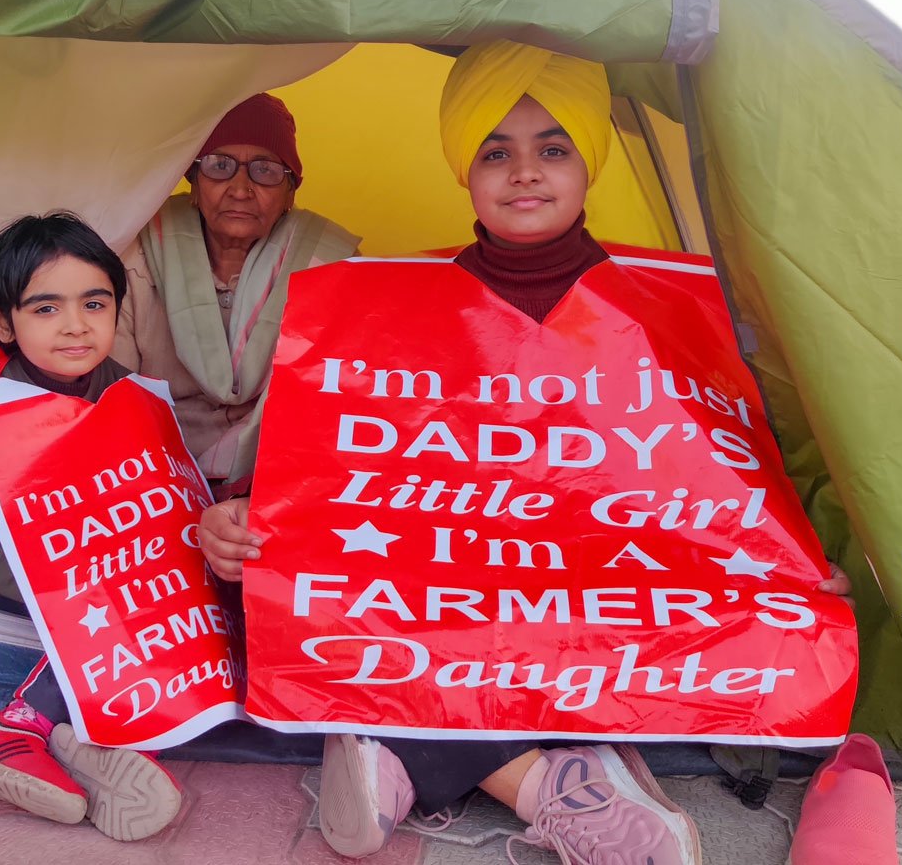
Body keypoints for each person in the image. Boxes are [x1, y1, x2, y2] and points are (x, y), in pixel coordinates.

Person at [199, 42, 855, 865]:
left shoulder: (680, 299)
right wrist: (245, 516)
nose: (524, 173)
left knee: (770, 624)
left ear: (589, 166)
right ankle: (551, 783)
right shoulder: (392, 291)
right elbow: (340, 456)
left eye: (553, 148)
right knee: (279, 594)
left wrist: (796, 552)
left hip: (614, 574)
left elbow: (734, 466)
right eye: (495, 152)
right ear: (464, 171)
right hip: (448, 575)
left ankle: (399, 746)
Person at [0, 212, 184, 842]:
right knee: (132, 611)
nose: (75, 325)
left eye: (95, 302)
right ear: (2, 321)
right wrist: (95, 596)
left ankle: (70, 742)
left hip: (94, 560)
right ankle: (16, 726)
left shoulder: (127, 392)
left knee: (186, 602)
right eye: (45, 308)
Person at [114, 92, 360, 501]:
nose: (241, 189)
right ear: (192, 180)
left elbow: (337, 409)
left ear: (290, 191)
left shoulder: (332, 263)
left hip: (283, 480)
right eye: (219, 166)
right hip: (151, 477)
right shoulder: (135, 251)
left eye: (265, 170)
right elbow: (115, 398)